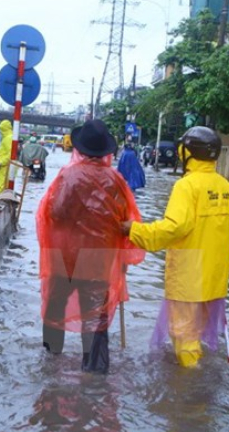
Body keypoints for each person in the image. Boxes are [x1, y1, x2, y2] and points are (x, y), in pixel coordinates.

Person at [121, 126, 229, 368]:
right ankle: (197, 380)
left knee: (184, 334)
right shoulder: (226, 188)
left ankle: (188, 393)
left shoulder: (187, 186)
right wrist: (224, 270)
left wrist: (134, 229)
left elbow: (173, 228)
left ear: (188, 152)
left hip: (189, 277)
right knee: (195, 333)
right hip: (214, 278)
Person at [37, 120, 145, 374]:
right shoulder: (115, 180)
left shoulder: (68, 176)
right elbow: (127, 221)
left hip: (66, 258)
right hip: (98, 261)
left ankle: (50, 361)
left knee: (55, 305)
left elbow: (55, 212)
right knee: (95, 316)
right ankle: (95, 375)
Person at [0, 120, 13, 194]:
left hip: (4, 167)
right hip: (3, 166)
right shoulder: (6, 138)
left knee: (1, 186)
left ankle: (0, 202)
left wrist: (0, 163)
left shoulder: (8, 138)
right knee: (1, 186)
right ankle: (0, 201)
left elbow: (10, 154)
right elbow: (3, 152)